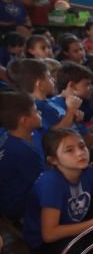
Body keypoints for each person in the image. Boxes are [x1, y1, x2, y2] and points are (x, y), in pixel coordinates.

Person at [23, 128, 93, 254]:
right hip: (48, 243)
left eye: (82, 146)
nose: (80, 153)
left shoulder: (88, 171)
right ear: (53, 160)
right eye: (69, 150)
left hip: (77, 227)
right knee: (70, 250)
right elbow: (49, 234)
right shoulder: (51, 183)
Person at [0, 91, 46, 221]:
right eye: (36, 111)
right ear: (25, 121)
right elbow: (43, 185)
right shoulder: (25, 152)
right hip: (17, 206)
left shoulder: (6, 134)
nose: (40, 113)